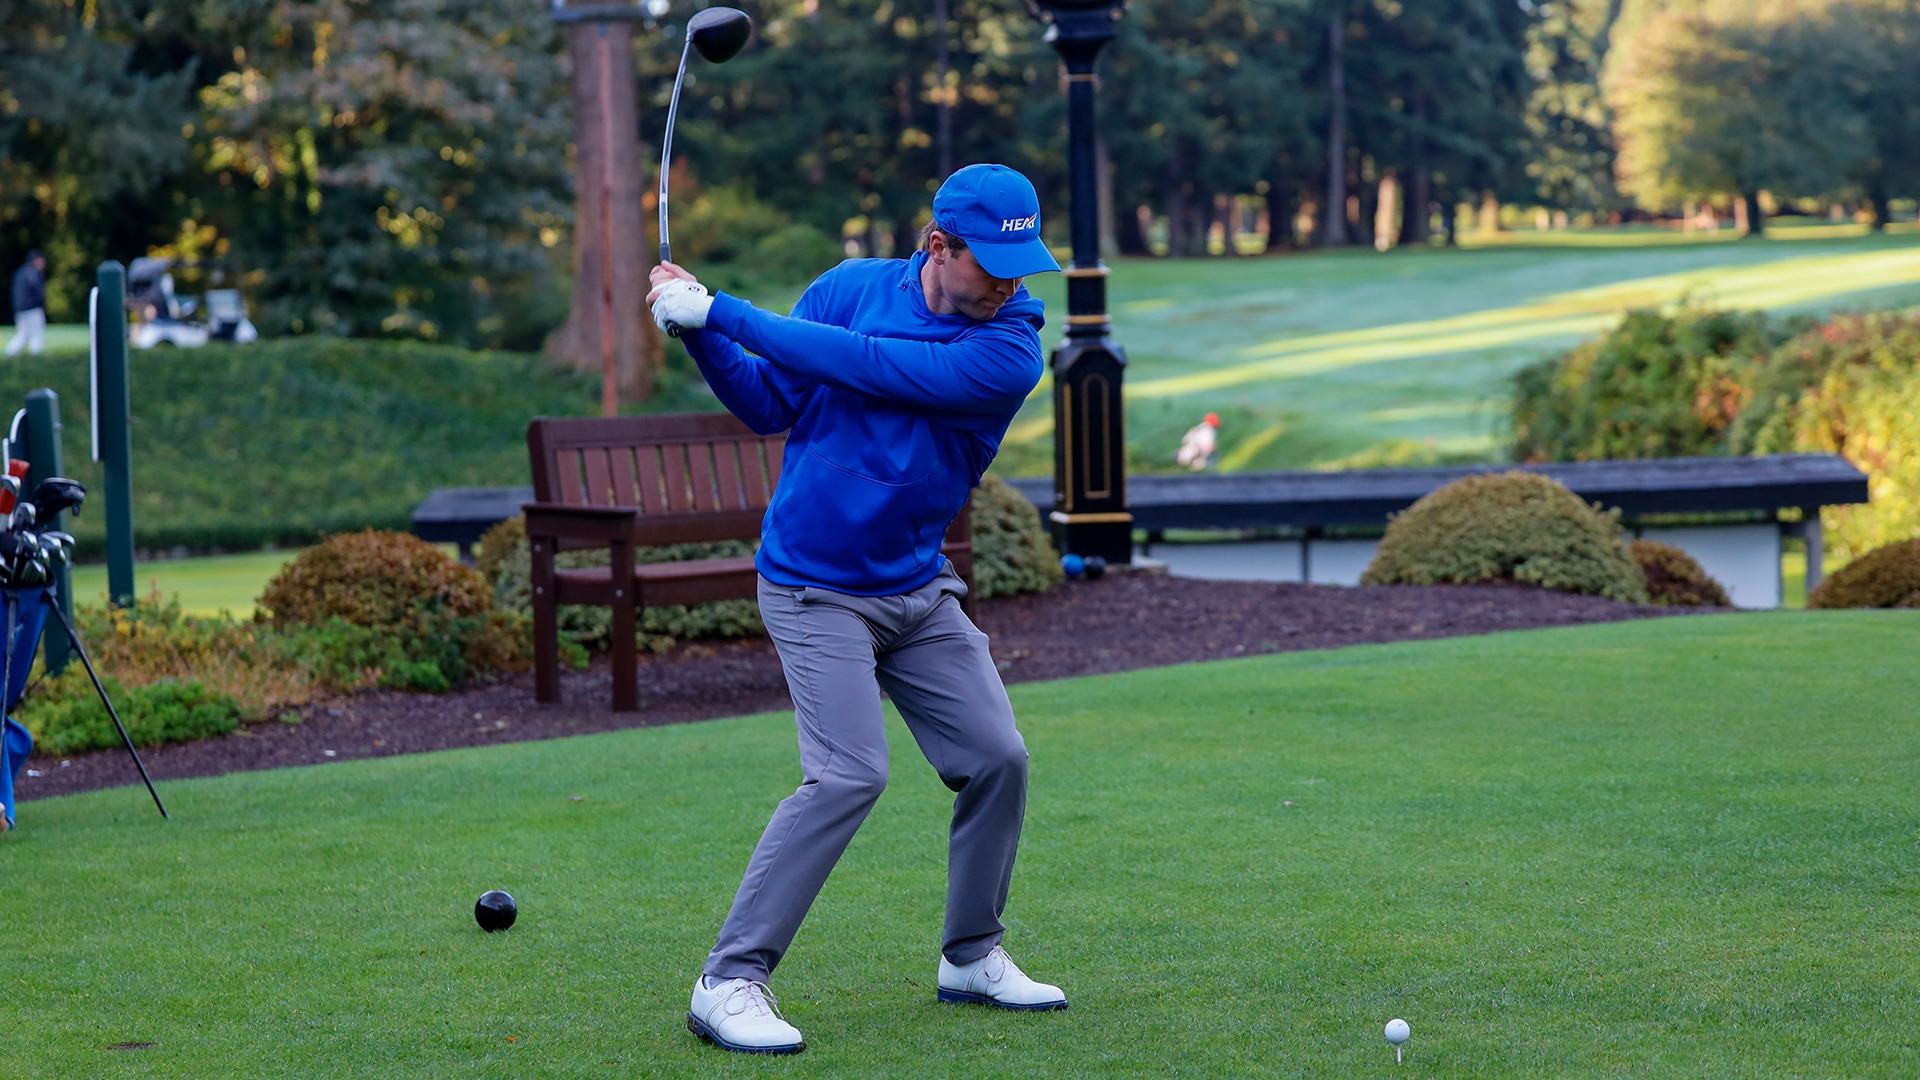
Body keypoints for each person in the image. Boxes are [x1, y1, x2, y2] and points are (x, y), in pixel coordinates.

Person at [648, 163, 1068, 1055]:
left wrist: (724, 310)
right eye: (989, 263)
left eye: (1019, 264)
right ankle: (729, 982)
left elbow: (878, 369)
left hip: (916, 590)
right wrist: (699, 332)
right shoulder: (847, 289)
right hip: (812, 585)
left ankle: (971, 955)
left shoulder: (1011, 346)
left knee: (998, 757)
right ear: (937, 246)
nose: (1007, 283)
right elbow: (771, 399)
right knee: (848, 773)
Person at [5, 250, 48, 358]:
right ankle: (35, 357)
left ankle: (9, 353)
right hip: (31, 309)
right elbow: (38, 293)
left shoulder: (21, 272)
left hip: (20, 309)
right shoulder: (32, 274)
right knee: (36, 335)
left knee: (24, 335)